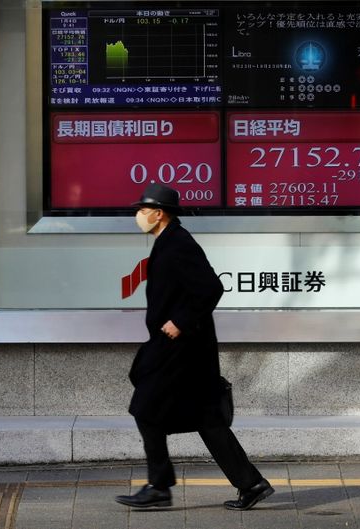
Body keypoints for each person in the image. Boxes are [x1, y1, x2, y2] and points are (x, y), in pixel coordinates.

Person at [115, 183, 274, 511]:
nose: (138, 215)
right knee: (206, 420)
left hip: (181, 348)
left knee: (144, 408)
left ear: (160, 214)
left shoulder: (178, 243)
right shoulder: (167, 242)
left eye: (143, 210)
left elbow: (211, 288)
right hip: (180, 347)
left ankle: (159, 486)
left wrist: (180, 321)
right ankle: (251, 483)